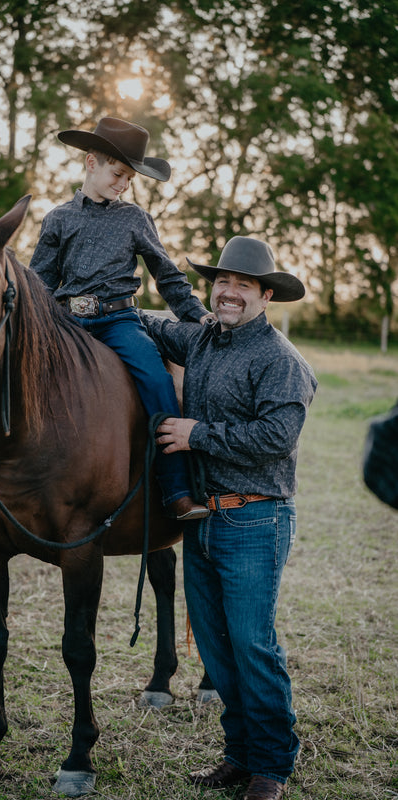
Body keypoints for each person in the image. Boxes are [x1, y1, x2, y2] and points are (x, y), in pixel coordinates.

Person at [140, 236, 317, 800]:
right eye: (222, 281)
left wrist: (197, 435)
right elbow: (149, 323)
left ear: (266, 295)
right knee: (216, 649)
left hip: (255, 521)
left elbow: (275, 439)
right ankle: (239, 755)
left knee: (252, 645)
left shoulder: (281, 361)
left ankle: (271, 767)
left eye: (243, 284)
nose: (230, 292)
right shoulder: (204, 341)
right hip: (204, 519)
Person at [30, 116, 209, 520]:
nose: (123, 184)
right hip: (65, 324)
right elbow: (41, 281)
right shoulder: (58, 218)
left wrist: (197, 316)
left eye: (129, 178)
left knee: (158, 382)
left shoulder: (135, 219)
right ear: (91, 162)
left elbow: (167, 274)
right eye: (118, 173)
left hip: (119, 322)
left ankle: (177, 491)